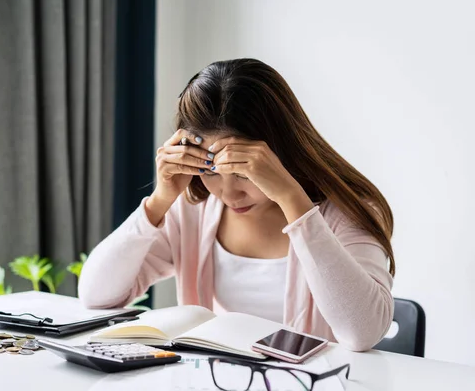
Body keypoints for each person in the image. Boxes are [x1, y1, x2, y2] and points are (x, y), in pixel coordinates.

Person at [79, 58, 395, 351]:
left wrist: (290, 197)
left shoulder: (345, 212)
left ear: (281, 154)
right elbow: (97, 296)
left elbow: (361, 333)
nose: (229, 194)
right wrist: (160, 200)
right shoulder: (193, 212)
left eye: (243, 173)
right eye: (211, 172)